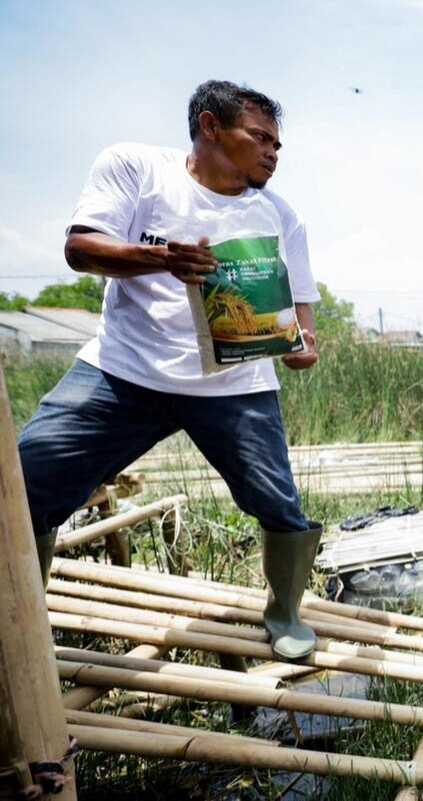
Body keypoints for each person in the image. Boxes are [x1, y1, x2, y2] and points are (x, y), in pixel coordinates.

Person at [17, 81, 324, 661]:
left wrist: (301, 347)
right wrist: (161, 258)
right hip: (124, 370)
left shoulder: (281, 217)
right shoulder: (136, 168)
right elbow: (81, 248)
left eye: (278, 145)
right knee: (29, 478)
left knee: (279, 504)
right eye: (260, 138)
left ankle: (284, 611)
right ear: (210, 127)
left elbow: (302, 317)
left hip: (235, 384)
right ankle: (20, 609)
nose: (273, 154)